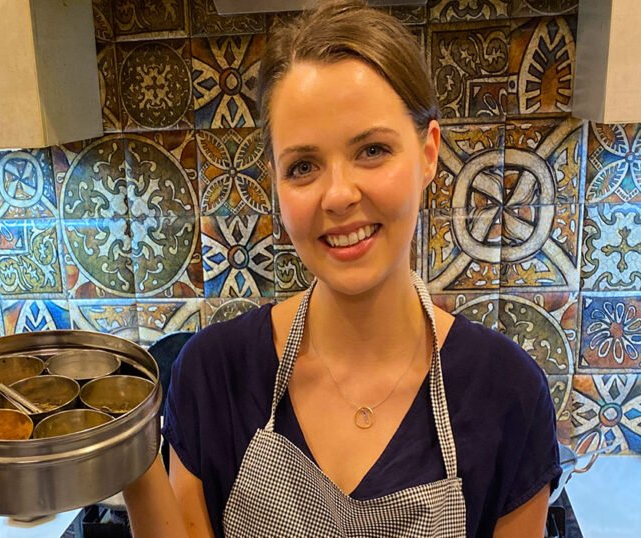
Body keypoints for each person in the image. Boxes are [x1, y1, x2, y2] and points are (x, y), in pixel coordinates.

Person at [123, 1, 561, 536]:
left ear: (428, 154)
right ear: (276, 184)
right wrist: (127, 453)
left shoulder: (507, 395)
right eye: (303, 166)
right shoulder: (213, 377)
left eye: (373, 150)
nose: (337, 195)